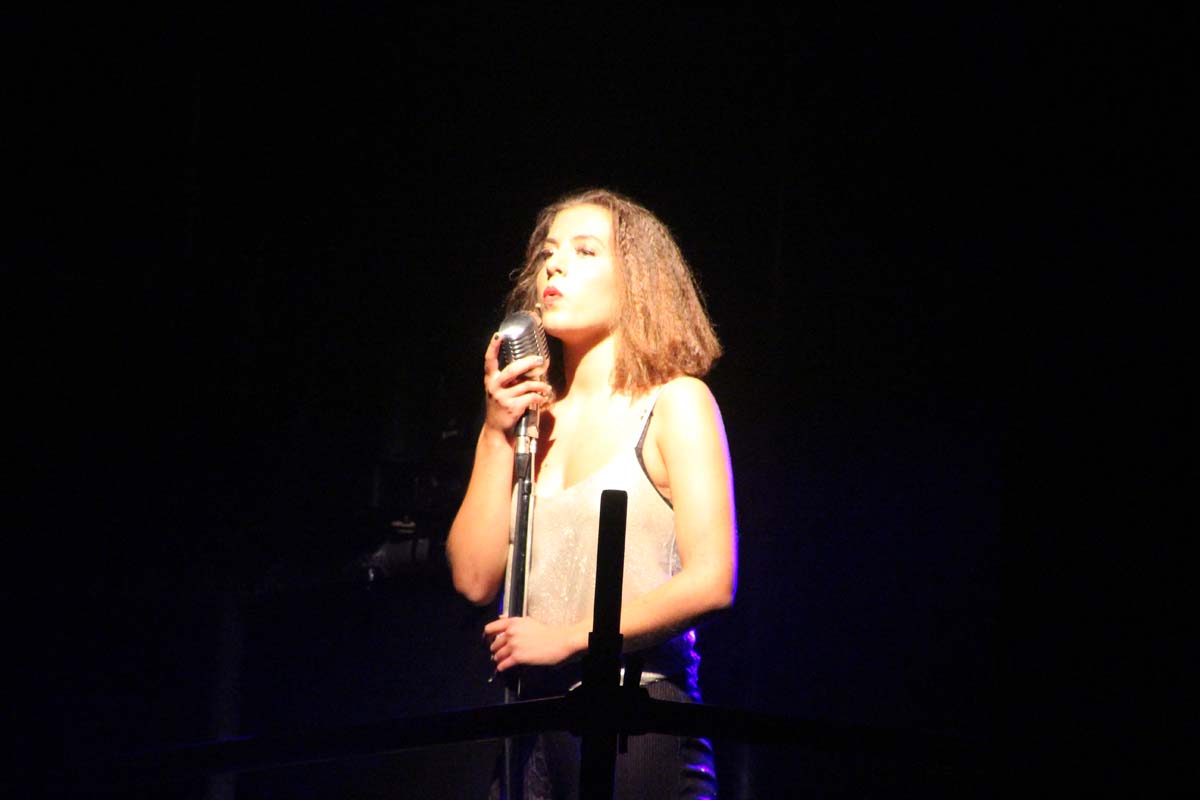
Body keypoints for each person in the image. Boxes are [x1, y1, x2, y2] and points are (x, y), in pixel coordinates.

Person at [447, 188, 737, 798]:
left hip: (637, 714)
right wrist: (495, 434)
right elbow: (473, 579)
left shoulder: (676, 402)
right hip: (530, 722)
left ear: (638, 283)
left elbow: (713, 580)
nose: (555, 266)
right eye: (548, 253)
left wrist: (567, 638)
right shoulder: (530, 420)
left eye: (584, 252)